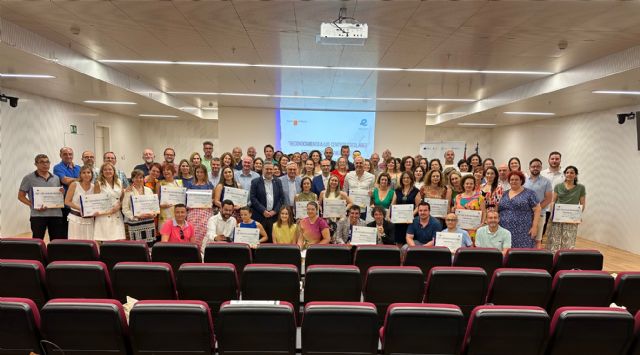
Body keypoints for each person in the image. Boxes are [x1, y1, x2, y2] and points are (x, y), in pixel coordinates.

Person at [18, 154, 66, 240]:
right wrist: (33, 205)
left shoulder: (56, 178)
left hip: (56, 215)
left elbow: (58, 195)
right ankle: (37, 254)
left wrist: (62, 193)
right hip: (37, 215)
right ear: (36, 164)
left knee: (56, 241)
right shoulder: (28, 178)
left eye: (47, 162)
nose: (45, 164)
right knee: (37, 240)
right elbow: (21, 196)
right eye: (42, 162)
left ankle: (54, 254)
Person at [546, 166, 586, 253]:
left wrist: (578, 216)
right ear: (564, 174)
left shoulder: (581, 188)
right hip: (557, 217)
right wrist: (553, 214)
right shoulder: (558, 186)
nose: (569, 174)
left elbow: (582, 203)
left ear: (575, 175)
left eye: (572, 173)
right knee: (554, 238)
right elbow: (553, 201)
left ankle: (565, 258)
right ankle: (552, 257)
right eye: (567, 172)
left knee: (568, 240)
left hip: (571, 219)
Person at [498, 170, 541, 249]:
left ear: (521, 180)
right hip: (504, 229)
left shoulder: (529, 193)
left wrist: (534, 227)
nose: (514, 181)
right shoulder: (504, 193)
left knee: (522, 253)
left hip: (523, 230)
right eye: (512, 179)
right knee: (505, 252)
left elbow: (537, 210)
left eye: (516, 179)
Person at [250, 161, 285, 240]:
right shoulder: (255, 182)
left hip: (274, 217)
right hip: (260, 216)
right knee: (259, 239)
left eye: (271, 169)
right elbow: (253, 198)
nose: (269, 171)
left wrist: (274, 211)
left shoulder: (278, 181)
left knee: (273, 239)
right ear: (263, 169)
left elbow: (281, 198)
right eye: (267, 169)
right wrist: (263, 211)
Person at [122, 169, 158, 244]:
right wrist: (136, 216)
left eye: (141, 177)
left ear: (144, 179)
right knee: (137, 247)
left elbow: (154, 206)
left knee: (150, 245)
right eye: (136, 177)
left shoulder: (149, 190)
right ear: (132, 179)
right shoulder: (128, 192)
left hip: (149, 222)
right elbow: (125, 209)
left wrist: (154, 213)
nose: (139, 179)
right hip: (135, 222)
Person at [524, 158, 553, 248]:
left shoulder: (546, 182)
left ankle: (536, 261)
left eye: (538, 166)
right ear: (529, 168)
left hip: (540, 214)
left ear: (541, 168)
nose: (535, 168)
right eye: (533, 166)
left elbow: (548, 199)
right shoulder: (524, 181)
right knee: (526, 238)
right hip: (525, 214)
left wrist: (537, 209)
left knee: (537, 240)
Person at [93, 163, 125, 242]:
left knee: (119, 239)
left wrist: (119, 205)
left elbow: (122, 197)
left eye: (110, 169)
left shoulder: (119, 182)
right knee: (107, 240)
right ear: (102, 172)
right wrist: (109, 211)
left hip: (117, 213)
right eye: (105, 170)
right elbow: (95, 201)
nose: (108, 171)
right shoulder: (98, 183)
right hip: (104, 215)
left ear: (114, 171)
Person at [185, 164, 214, 249]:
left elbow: (212, 199)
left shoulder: (209, 184)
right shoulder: (190, 184)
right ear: (195, 173)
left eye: (201, 172)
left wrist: (208, 202)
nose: (199, 174)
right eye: (197, 172)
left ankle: (203, 250)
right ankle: (193, 249)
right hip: (193, 212)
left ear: (205, 173)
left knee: (204, 231)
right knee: (193, 231)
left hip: (205, 212)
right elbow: (187, 198)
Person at [64, 165, 95, 240]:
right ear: (80, 174)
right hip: (76, 219)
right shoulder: (74, 184)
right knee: (75, 242)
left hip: (89, 219)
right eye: (84, 173)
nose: (86, 175)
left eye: (88, 172)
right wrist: (81, 208)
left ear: (92, 174)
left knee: (89, 241)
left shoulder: (94, 186)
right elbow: (67, 201)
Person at [54, 147, 80, 231]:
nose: (68, 156)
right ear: (60, 155)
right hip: (66, 205)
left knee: (78, 228)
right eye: (65, 154)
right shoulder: (58, 167)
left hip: (79, 202)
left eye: (70, 154)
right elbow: (65, 180)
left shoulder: (78, 167)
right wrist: (79, 179)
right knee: (66, 230)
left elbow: (85, 181)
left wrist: (72, 179)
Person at [454, 175, 486, 241]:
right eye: (467, 183)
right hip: (460, 229)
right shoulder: (458, 197)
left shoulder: (480, 197)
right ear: (463, 184)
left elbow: (484, 212)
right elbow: (455, 210)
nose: (469, 185)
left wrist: (482, 224)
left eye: (471, 183)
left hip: (475, 229)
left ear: (474, 185)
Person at [393, 171, 421, 245]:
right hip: (399, 220)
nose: (406, 179)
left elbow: (419, 206)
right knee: (399, 241)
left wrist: (411, 215)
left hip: (410, 221)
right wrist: (391, 215)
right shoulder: (397, 190)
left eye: (408, 178)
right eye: (404, 178)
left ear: (411, 179)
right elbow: (393, 204)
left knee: (410, 241)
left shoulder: (416, 191)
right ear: (401, 179)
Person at [541, 151, 564, 235]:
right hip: (544, 206)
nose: (554, 161)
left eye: (557, 159)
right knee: (541, 229)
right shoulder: (542, 173)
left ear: (560, 160)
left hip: (559, 207)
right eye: (552, 159)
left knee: (556, 232)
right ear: (548, 160)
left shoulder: (565, 174)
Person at [156, 163, 182, 228]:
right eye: (164, 170)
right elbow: (156, 199)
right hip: (164, 211)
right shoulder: (159, 183)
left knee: (176, 232)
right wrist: (160, 205)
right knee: (165, 233)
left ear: (173, 171)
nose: (165, 172)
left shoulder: (179, 183)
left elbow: (182, 198)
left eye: (168, 170)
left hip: (177, 211)